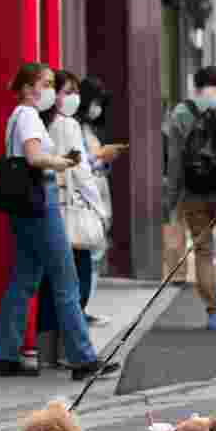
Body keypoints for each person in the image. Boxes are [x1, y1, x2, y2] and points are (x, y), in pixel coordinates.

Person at [0, 63, 119, 380]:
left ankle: (5, 355)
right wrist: (63, 163)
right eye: (44, 83)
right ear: (26, 88)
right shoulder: (29, 116)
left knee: (24, 278)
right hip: (40, 197)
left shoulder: (16, 117)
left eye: (51, 83)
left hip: (23, 201)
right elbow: (35, 158)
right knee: (66, 279)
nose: (49, 90)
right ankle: (83, 359)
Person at [36, 69, 116, 370]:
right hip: (71, 211)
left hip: (45, 209)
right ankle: (76, 354)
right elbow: (81, 172)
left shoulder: (38, 122)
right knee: (76, 284)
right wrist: (100, 210)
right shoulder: (68, 125)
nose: (73, 98)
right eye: (66, 91)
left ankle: (48, 354)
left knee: (48, 284)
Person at [164, 66, 216, 330]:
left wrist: (172, 196)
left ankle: (213, 313)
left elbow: (175, 160)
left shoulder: (180, 112)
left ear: (196, 84)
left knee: (202, 249)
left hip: (193, 191)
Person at [75, 76, 122, 325]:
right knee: (89, 254)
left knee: (93, 255)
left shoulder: (87, 129)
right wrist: (99, 158)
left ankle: (83, 308)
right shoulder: (74, 129)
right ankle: (80, 309)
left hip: (98, 194)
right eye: (95, 102)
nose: (98, 108)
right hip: (88, 199)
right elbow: (79, 166)